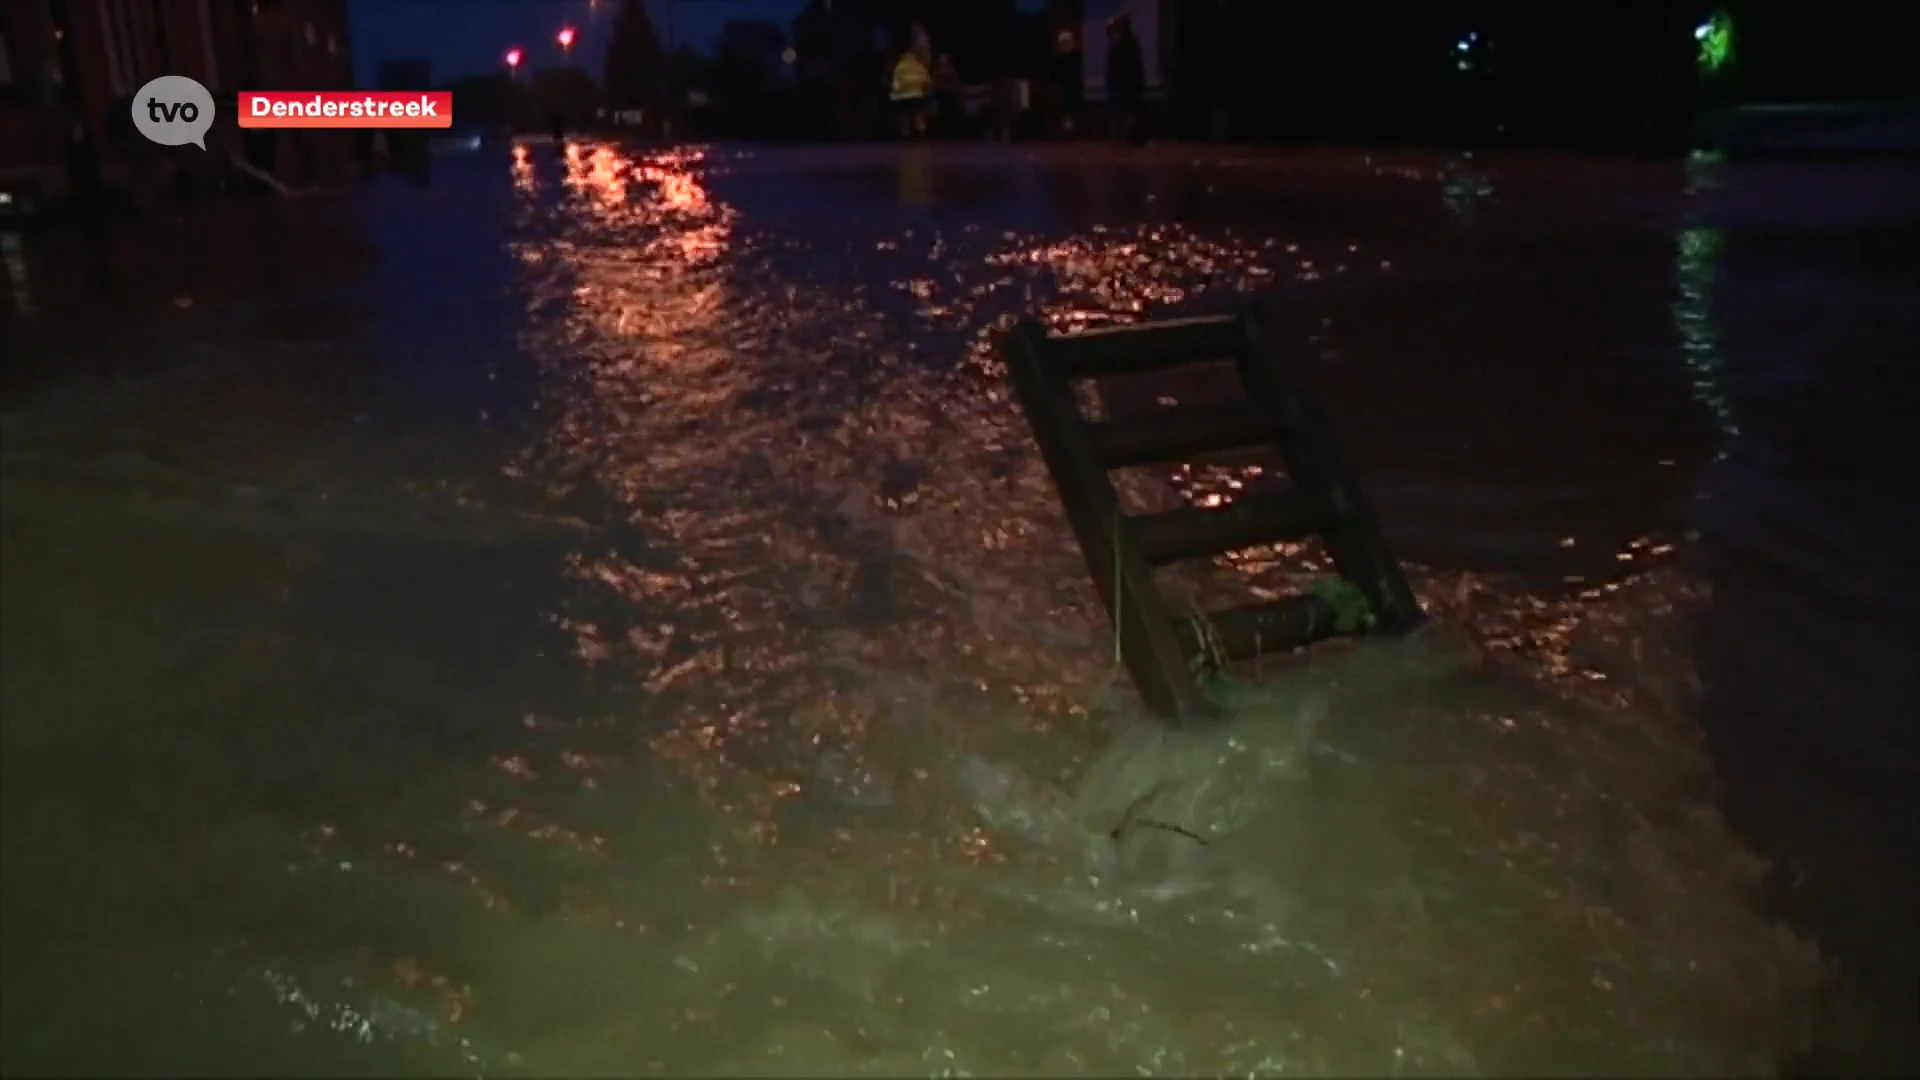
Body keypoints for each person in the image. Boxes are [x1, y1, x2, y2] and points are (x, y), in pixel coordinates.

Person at [1105, 14, 1146, 146]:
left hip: (1123, 82)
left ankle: (1123, 136)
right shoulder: (1131, 41)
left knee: (1122, 111)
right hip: (1129, 82)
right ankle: (1126, 136)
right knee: (1129, 111)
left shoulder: (1120, 42)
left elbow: (1113, 64)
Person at [889, 48, 934, 138]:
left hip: (902, 96)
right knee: (918, 114)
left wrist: (893, 94)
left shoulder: (900, 66)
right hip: (917, 94)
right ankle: (921, 131)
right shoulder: (919, 65)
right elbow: (927, 80)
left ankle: (906, 133)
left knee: (904, 115)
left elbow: (896, 83)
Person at [1050, 28, 1082, 138]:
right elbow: (1054, 74)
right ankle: (1066, 131)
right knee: (1065, 111)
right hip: (1063, 87)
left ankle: (1071, 131)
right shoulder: (1058, 58)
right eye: (1063, 43)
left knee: (1071, 110)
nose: (1065, 45)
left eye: (1067, 43)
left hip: (1072, 86)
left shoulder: (1076, 57)